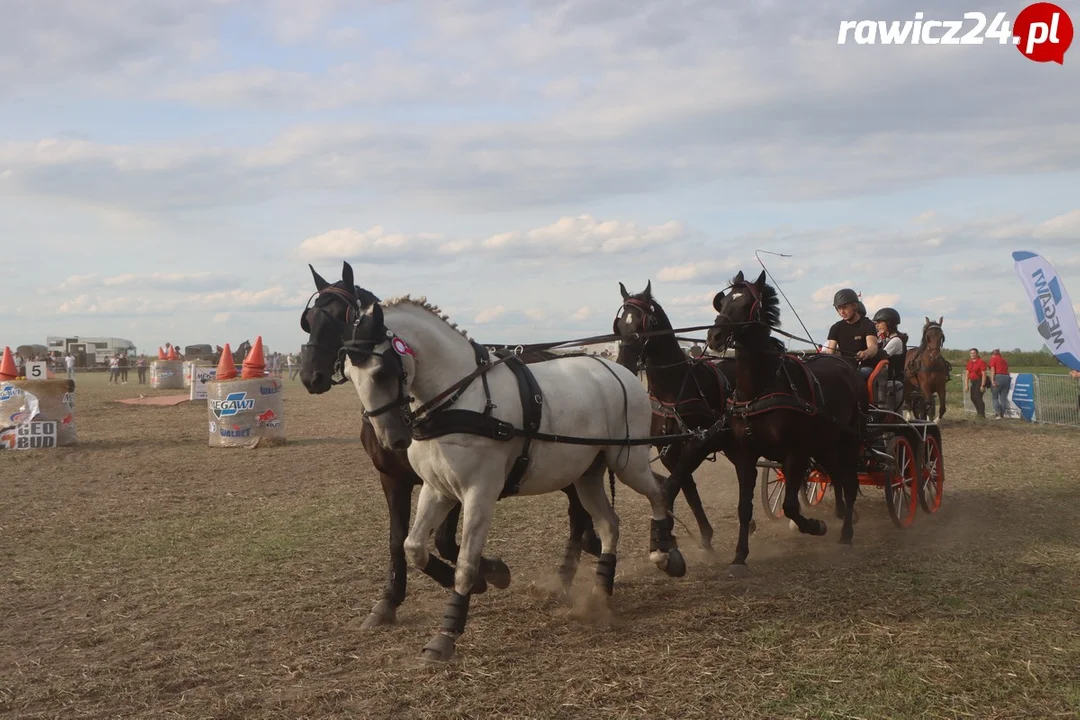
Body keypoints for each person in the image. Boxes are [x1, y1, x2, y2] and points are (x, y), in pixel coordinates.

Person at [825, 288, 880, 379]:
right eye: (839, 308)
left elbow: (873, 347)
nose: (842, 312)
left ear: (854, 306)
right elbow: (830, 351)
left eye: (845, 307)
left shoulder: (867, 324)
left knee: (856, 375)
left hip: (864, 367)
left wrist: (866, 353)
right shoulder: (836, 327)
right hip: (844, 368)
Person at [987, 349, 1011, 419]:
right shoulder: (1004, 360)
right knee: (1003, 398)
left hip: (998, 377)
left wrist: (992, 380)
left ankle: (998, 414)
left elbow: (992, 369)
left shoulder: (993, 359)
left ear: (993, 354)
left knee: (995, 397)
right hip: (1006, 378)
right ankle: (1002, 414)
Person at [965, 348, 988, 418]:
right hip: (973, 382)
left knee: (978, 398)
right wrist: (966, 385)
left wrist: (982, 385)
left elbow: (984, 374)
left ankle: (982, 415)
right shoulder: (969, 363)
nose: (972, 354)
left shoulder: (981, 362)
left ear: (977, 354)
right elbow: (967, 374)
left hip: (979, 381)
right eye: (971, 353)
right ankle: (979, 413)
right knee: (973, 398)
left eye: (974, 353)